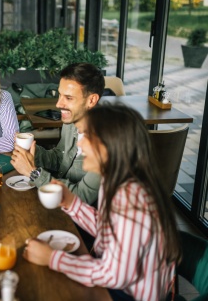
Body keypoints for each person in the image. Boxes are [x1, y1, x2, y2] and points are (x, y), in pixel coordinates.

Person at [23, 104, 181, 301]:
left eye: (87, 137)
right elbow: (111, 228)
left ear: (109, 145)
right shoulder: (116, 178)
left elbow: (115, 275)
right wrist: (71, 202)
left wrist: (53, 258)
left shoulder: (132, 198)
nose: (80, 144)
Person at [11, 62, 104, 204]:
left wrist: (33, 173)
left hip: (83, 219)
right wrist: (34, 153)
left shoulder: (106, 142)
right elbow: (61, 159)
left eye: (68, 98)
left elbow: (83, 197)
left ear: (91, 100)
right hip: (57, 202)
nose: (58, 104)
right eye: (60, 95)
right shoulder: (72, 122)